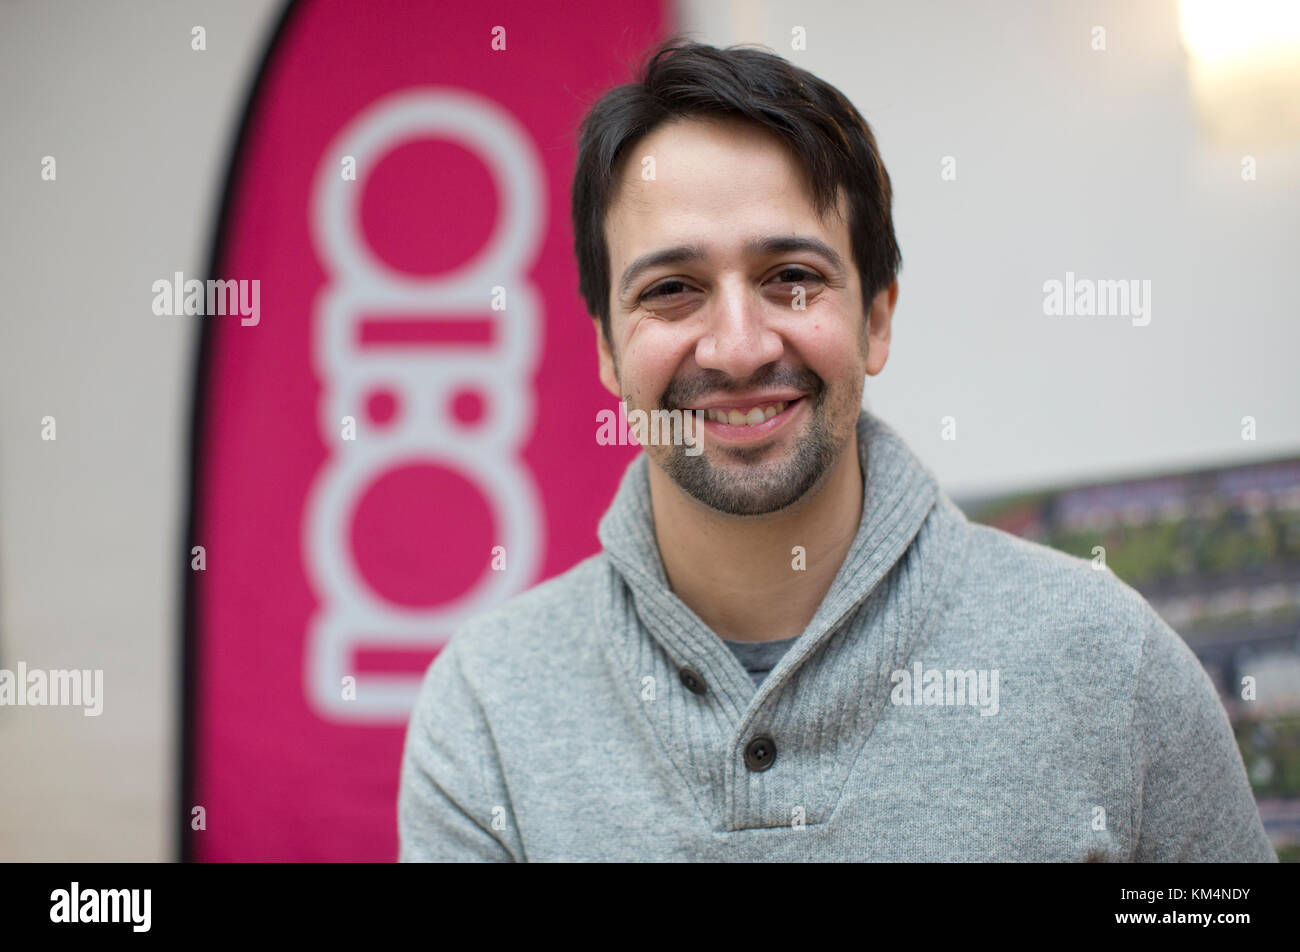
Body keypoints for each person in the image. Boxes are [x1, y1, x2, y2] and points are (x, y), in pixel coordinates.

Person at [397, 38, 1276, 862]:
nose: (738, 348)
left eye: (792, 278)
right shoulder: (487, 713)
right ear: (607, 352)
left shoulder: (1105, 661)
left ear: (877, 320)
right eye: (673, 290)